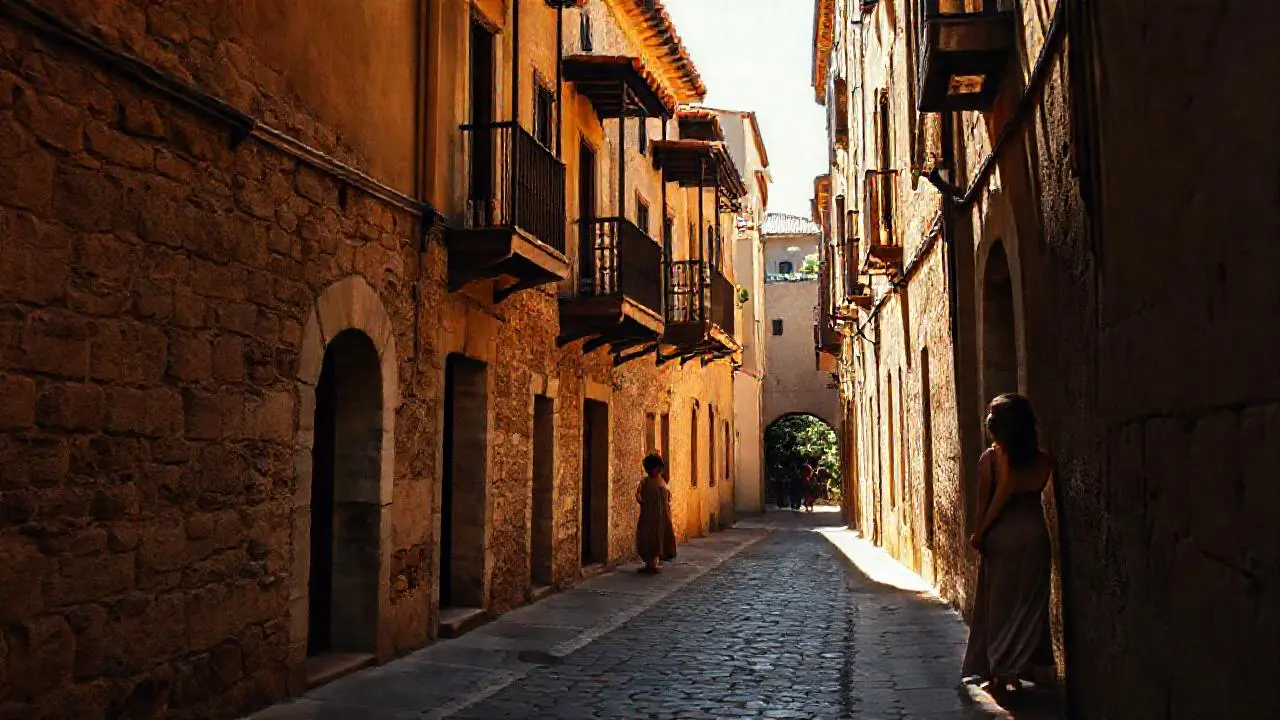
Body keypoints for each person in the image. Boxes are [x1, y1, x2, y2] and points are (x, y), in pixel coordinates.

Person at [961, 393, 1055, 698]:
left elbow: (990, 502)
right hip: (1036, 536)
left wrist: (979, 532)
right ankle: (1021, 666)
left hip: (1003, 537)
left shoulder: (991, 460)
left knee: (999, 606)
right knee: (1030, 604)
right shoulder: (1043, 460)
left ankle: (1002, 669)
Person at [635, 453, 676, 574]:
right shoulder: (645, 481)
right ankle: (650, 564)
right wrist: (642, 502)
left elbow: (667, 496)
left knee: (658, 539)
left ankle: (654, 563)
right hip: (648, 516)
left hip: (660, 516)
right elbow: (638, 493)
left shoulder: (662, 481)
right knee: (646, 538)